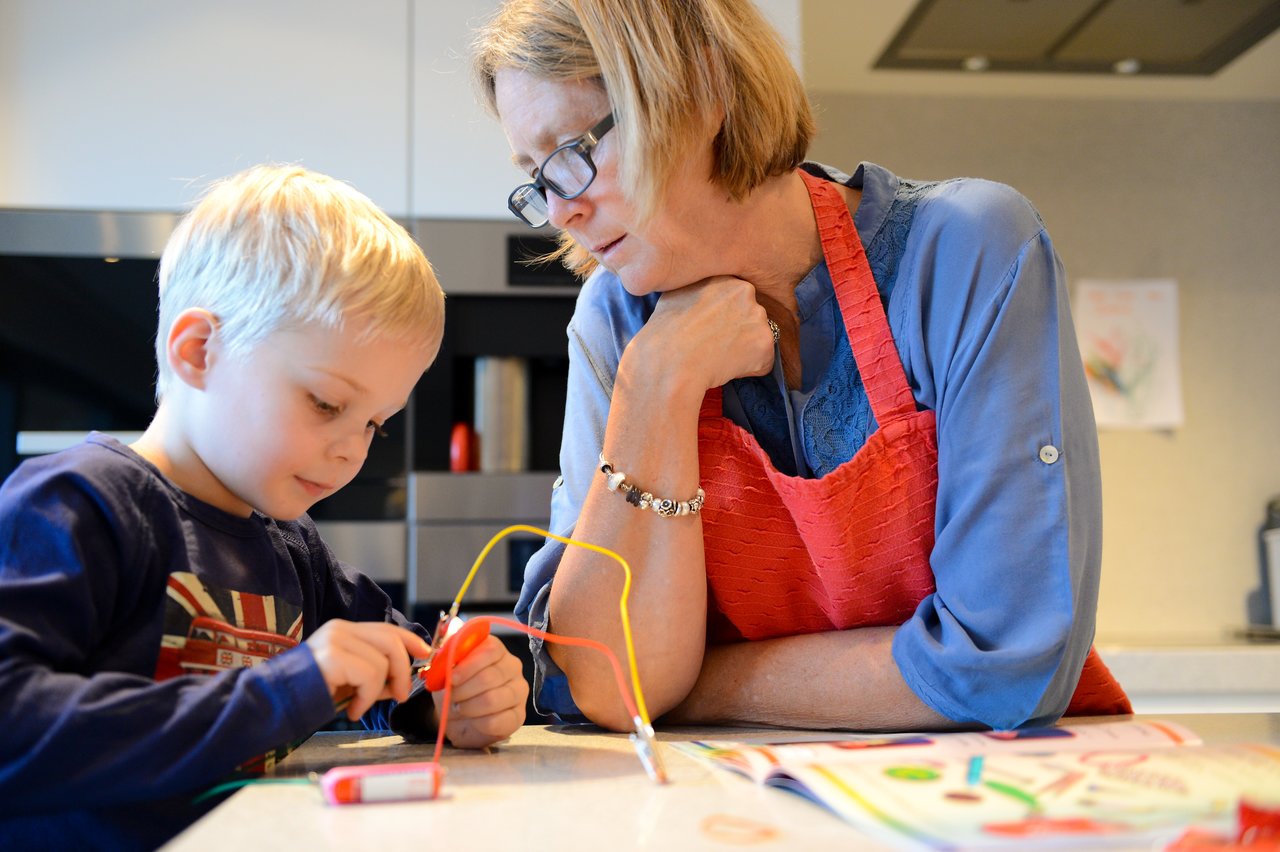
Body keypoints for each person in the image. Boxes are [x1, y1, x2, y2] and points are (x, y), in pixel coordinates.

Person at [472, 0, 1131, 735]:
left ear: (700, 94)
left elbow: (1003, 662)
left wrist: (694, 684)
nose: (561, 211)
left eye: (570, 153)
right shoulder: (617, 322)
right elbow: (595, 669)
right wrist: (652, 384)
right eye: (536, 178)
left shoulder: (965, 252)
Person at [0, 165, 529, 849]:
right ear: (199, 351)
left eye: (375, 423)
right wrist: (287, 690)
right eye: (327, 404)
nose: (351, 451)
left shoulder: (292, 549)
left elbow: (397, 676)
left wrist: (451, 697)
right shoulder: (83, 504)